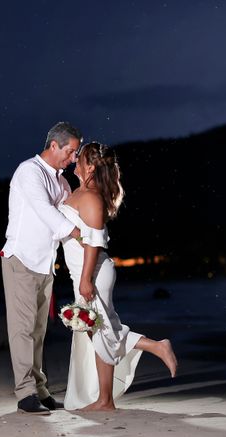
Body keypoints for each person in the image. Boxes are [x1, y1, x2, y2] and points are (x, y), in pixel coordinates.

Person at [59, 142, 178, 411]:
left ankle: (106, 399)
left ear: (90, 166)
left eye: (81, 158)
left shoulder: (90, 197)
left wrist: (86, 279)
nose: (75, 160)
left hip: (94, 271)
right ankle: (156, 348)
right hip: (82, 271)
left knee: (101, 331)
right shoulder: (79, 191)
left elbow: (94, 242)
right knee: (99, 330)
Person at [1, 121, 84, 415]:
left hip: (45, 263)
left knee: (38, 330)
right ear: (53, 146)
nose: (73, 158)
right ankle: (25, 394)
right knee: (22, 330)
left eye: (76, 154)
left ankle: (40, 389)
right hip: (21, 259)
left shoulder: (61, 181)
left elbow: (70, 207)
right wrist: (76, 233)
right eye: (71, 152)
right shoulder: (28, 171)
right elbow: (46, 211)